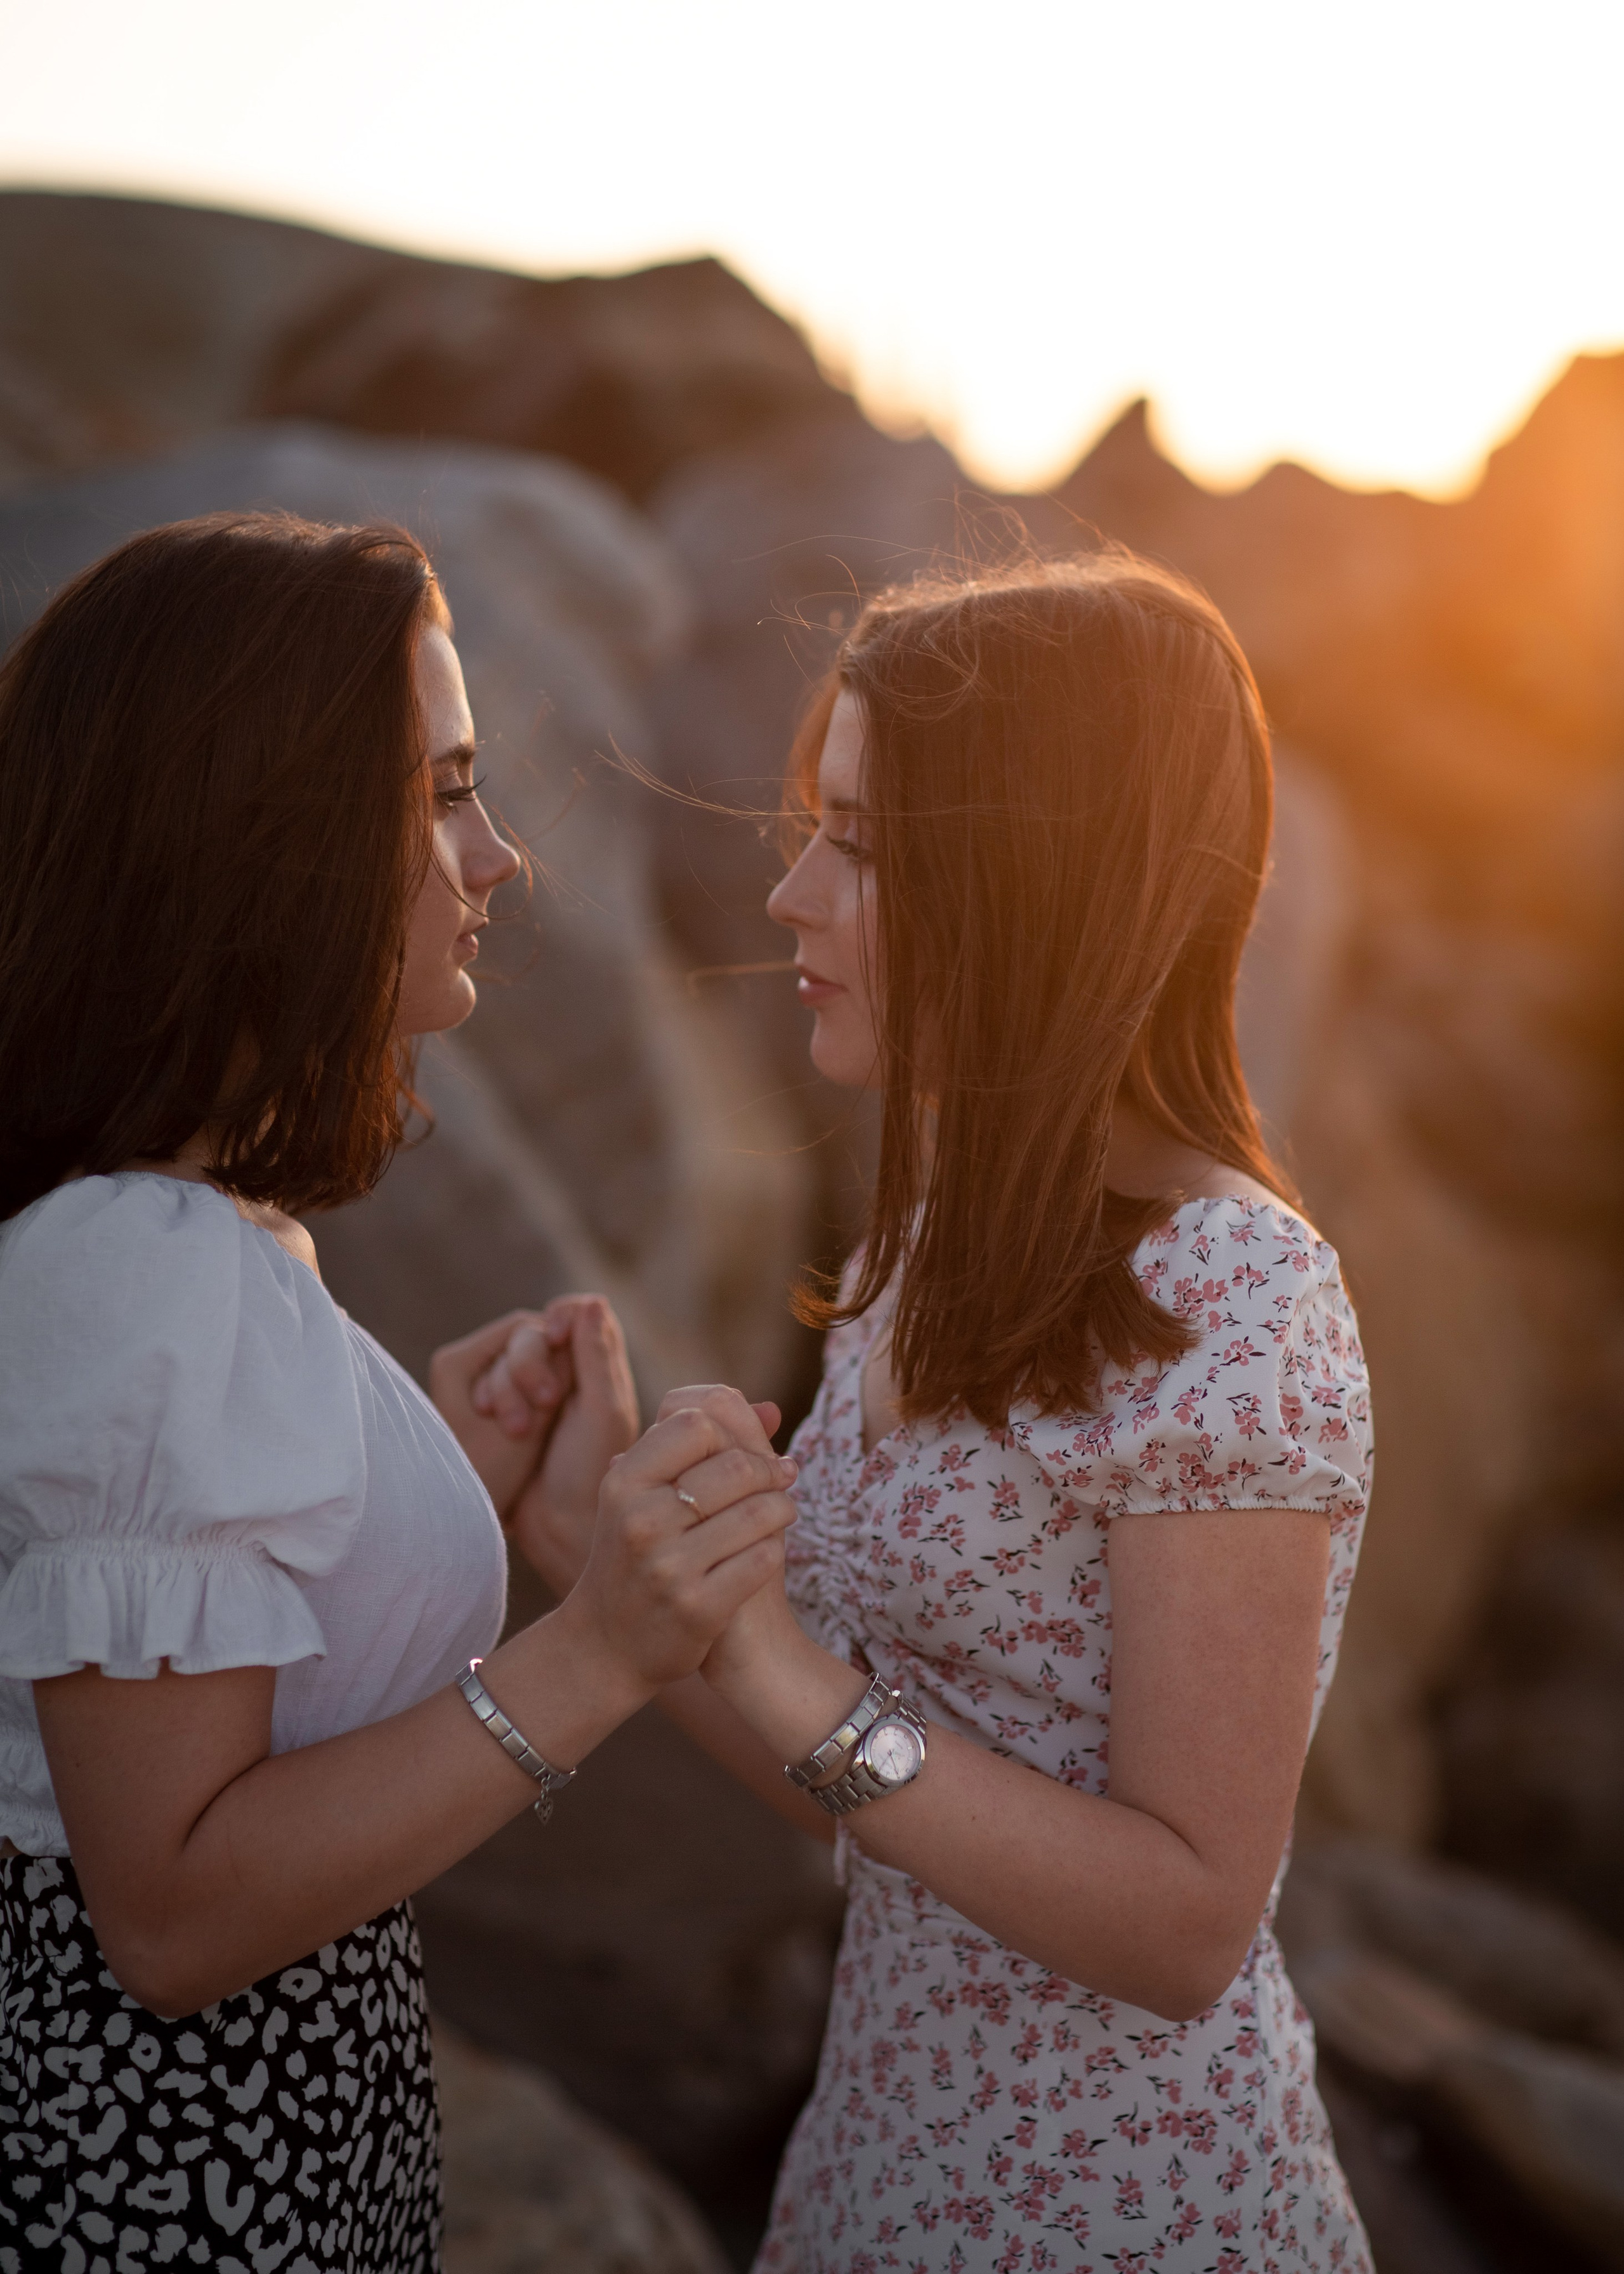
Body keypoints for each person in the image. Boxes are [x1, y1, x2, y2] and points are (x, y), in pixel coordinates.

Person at [480, 553, 1375, 2272]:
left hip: (1131, 2217)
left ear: (1037, 882)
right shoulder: (927, 1246)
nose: (791, 899)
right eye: (813, 829)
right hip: (888, 2174)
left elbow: (1190, 1917)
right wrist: (597, 1538)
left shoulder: (1243, 1300)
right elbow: (863, 1790)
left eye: (866, 848)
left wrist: (778, 1661)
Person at [0, 512, 796, 2274]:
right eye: (442, 790)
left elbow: (235, 1734)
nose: (497, 856)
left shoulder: (202, 1237)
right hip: (174, 2199)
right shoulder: (140, 1261)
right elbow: (175, 1910)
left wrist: (425, 1470)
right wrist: (601, 1646)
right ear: (263, 837)